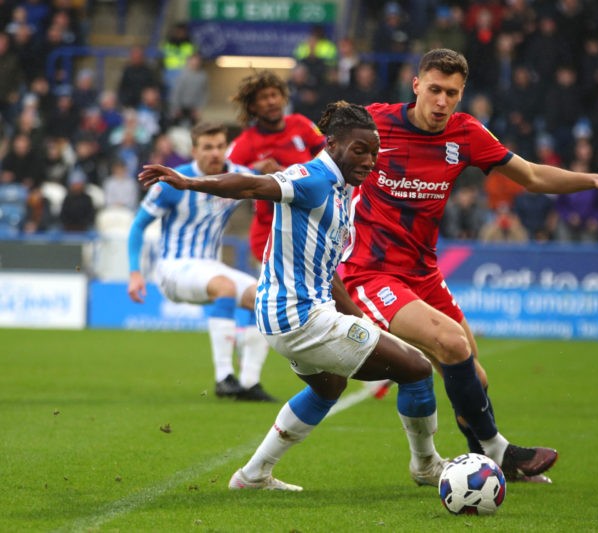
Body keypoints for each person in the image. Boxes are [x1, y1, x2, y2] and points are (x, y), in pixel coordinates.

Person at [340, 49, 598, 482]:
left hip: (423, 273)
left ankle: (478, 470)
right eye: (434, 90)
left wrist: (592, 179)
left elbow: (534, 176)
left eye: (452, 93)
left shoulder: (465, 134)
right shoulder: (374, 124)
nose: (442, 101)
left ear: (462, 94)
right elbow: (322, 166)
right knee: (450, 343)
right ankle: (500, 452)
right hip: (371, 272)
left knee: (474, 377)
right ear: (416, 86)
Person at [138, 101, 446, 491]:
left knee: (329, 387)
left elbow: (325, 269)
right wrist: (190, 182)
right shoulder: (312, 179)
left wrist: (357, 316)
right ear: (332, 144)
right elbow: (251, 185)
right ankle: (427, 466)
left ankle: (253, 475)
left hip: (289, 315)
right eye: (359, 151)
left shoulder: (340, 189)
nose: (369, 161)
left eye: (374, 152)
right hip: (300, 317)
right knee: (417, 370)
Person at [127, 122, 276, 403]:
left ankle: (249, 382)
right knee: (225, 287)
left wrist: (265, 168)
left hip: (210, 265)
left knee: (266, 299)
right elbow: (138, 226)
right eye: (207, 148)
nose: (215, 153)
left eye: (220, 146)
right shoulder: (173, 182)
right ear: (194, 151)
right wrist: (135, 272)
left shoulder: (236, 176)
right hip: (174, 267)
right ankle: (224, 378)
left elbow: (262, 177)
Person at [227, 70, 326, 262]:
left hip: (312, 225)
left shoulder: (301, 125)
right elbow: (224, 174)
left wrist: (290, 174)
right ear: (253, 107)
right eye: (263, 98)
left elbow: (329, 159)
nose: (271, 101)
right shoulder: (246, 143)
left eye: (274, 95)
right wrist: (254, 169)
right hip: (269, 233)